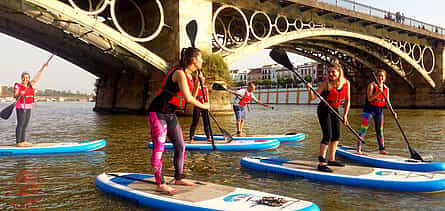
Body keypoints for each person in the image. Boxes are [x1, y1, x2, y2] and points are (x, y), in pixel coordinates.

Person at [147, 47, 209, 194]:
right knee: (159, 147)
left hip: (171, 114)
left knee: (181, 146)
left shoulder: (190, 76)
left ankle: (178, 177)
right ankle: (160, 183)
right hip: (158, 112)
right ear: (194, 60)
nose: (202, 61)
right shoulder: (179, 73)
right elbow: (189, 98)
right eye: (200, 58)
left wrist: (199, 83)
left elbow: (189, 97)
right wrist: (205, 106)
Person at [306, 63, 350, 172]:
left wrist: (345, 116)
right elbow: (312, 98)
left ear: (339, 72)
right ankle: (321, 163)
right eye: (329, 72)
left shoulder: (346, 82)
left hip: (335, 109)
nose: (330, 74)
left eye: (333, 72)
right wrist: (310, 89)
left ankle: (332, 159)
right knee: (327, 135)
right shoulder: (325, 84)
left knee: (336, 135)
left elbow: (348, 100)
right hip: (324, 109)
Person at [356, 69, 396, 155]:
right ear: (376, 77)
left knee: (380, 131)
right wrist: (378, 92)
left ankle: (382, 149)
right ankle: (358, 149)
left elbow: (387, 102)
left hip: (379, 111)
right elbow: (370, 99)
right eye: (379, 76)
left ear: (385, 78)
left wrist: (392, 111)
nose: (380, 78)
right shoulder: (371, 85)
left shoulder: (386, 88)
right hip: (368, 111)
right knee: (363, 129)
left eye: (382, 76)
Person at [14, 61, 50, 147]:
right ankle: (19, 142)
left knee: (25, 125)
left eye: (27, 78)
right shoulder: (18, 85)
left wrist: (43, 68)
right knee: (20, 124)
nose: (25, 79)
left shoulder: (30, 85)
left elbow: (37, 78)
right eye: (24, 77)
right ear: (21, 78)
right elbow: (15, 95)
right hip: (21, 107)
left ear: (29, 78)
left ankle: (23, 141)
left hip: (28, 107)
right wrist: (20, 94)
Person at [189, 73, 211, 143]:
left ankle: (208, 137)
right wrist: (197, 85)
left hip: (204, 106)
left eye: (203, 79)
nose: (202, 81)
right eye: (201, 79)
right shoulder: (195, 88)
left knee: (206, 122)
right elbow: (193, 97)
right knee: (195, 122)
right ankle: (191, 138)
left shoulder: (205, 88)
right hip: (197, 106)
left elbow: (207, 97)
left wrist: (208, 105)